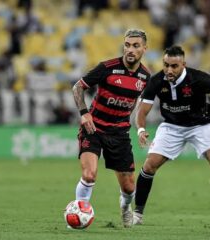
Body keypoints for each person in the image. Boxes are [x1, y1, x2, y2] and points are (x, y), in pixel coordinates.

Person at [133, 45, 210, 225]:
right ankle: (137, 214)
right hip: (171, 127)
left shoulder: (199, 78)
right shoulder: (156, 81)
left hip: (200, 125)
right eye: (166, 65)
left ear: (183, 65)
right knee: (148, 167)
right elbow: (141, 112)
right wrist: (141, 130)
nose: (169, 70)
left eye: (174, 66)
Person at [71, 29, 151, 228]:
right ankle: (79, 215)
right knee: (89, 174)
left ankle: (125, 208)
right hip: (94, 128)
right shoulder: (107, 68)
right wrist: (83, 113)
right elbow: (78, 87)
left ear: (144, 49)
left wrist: (139, 128)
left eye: (135, 45)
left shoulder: (145, 77)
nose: (130, 49)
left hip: (119, 132)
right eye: (127, 45)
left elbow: (138, 105)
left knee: (129, 186)